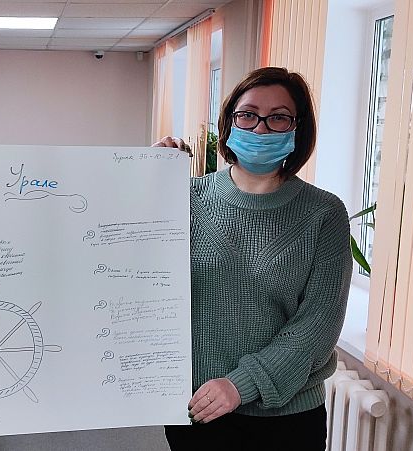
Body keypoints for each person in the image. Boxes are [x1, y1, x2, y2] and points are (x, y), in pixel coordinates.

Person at [155, 67, 351, 450]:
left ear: (297, 129)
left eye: (278, 117)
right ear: (230, 122)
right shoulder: (184, 198)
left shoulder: (324, 213)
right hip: (198, 409)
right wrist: (143, 180)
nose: (260, 128)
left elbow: (318, 324)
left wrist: (240, 385)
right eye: (248, 115)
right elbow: (129, 269)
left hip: (287, 419)